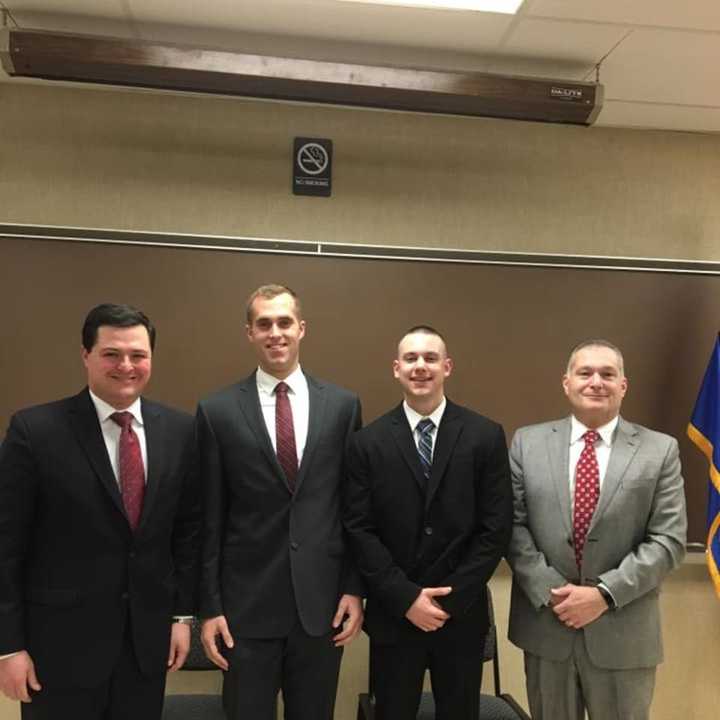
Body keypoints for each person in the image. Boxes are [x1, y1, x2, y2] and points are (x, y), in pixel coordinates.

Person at [0, 303, 199, 720]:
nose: (126, 365)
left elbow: (186, 533)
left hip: (144, 649)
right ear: (86, 355)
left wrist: (182, 616)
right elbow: (7, 545)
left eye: (137, 355)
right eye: (112, 353)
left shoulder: (181, 432)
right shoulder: (34, 432)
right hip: (59, 651)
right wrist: (8, 647)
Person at [197, 284, 363, 720]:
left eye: (284, 322)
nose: (276, 333)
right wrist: (210, 606)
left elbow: (353, 509)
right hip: (245, 612)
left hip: (321, 607)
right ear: (249, 333)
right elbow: (209, 517)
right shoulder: (217, 411)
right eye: (264, 324)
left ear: (302, 329)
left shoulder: (343, 407)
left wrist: (353, 587)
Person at [507, 339, 687, 720]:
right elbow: (512, 527)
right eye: (585, 372)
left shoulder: (660, 450)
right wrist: (554, 592)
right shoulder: (527, 443)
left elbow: (668, 541)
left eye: (608, 374)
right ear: (566, 382)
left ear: (623, 386)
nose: (596, 382)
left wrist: (604, 594)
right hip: (547, 628)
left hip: (624, 632)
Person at [344, 325, 512, 720]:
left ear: (447, 367)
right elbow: (358, 528)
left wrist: (448, 601)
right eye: (411, 359)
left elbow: (496, 528)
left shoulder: (484, 436)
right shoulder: (366, 443)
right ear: (396, 369)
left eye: (430, 358)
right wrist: (407, 598)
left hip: (461, 617)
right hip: (394, 616)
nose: (421, 366)